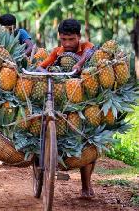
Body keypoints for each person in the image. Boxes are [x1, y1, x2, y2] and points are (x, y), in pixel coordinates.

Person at [37, 19, 95, 198]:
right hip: (60, 99)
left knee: (87, 141)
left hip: (84, 102)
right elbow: (41, 66)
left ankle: (86, 185)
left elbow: (91, 51)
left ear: (79, 37)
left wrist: (79, 64)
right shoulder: (58, 52)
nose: (67, 44)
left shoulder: (86, 47)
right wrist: (42, 71)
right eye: (63, 39)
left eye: (71, 39)